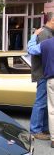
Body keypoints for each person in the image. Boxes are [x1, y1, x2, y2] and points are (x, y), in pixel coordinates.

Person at [28, 12, 54, 140]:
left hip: (46, 73)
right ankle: (35, 130)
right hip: (43, 73)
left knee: (45, 103)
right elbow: (37, 51)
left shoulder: (47, 33)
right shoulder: (44, 33)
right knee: (41, 102)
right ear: (53, 20)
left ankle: (43, 129)